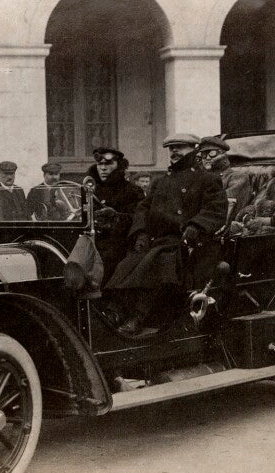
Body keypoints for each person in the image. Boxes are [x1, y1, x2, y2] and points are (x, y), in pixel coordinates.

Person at [105, 133, 228, 335]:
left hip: (189, 242)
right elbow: (143, 209)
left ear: (194, 150)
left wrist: (196, 226)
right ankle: (115, 311)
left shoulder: (207, 179)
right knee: (128, 261)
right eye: (171, 148)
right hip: (158, 240)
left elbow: (215, 210)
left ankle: (138, 316)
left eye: (180, 147)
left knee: (158, 260)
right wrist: (141, 231)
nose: (175, 152)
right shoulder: (160, 182)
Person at [85, 147, 145, 282]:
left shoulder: (132, 191)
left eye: (108, 164)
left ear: (119, 165)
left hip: (119, 249)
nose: (103, 168)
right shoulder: (90, 190)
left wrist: (115, 217)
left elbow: (139, 220)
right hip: (91, 246)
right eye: (100, 164)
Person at [198, 135, 253, 220]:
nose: (207, 158)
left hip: (225, 224)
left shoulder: (237, 177)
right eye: (204, 154)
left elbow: (223, 206)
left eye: (212, 153)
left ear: (223, 154)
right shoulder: (200, 177)